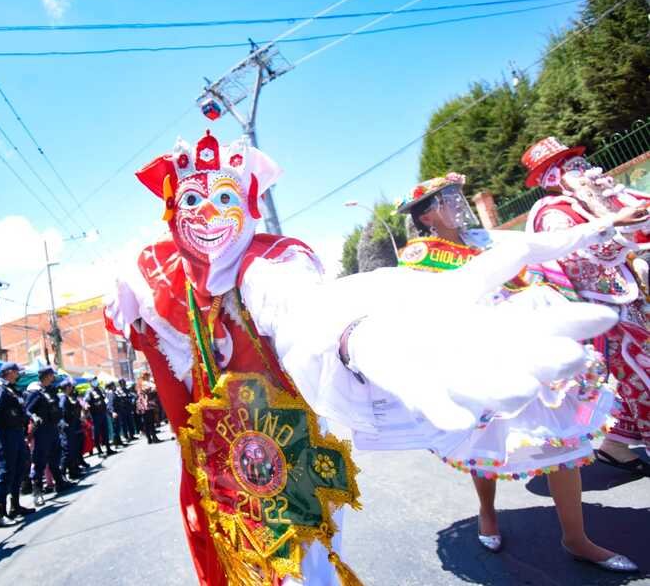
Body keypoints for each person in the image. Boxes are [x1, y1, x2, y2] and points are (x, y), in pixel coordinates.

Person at [105, 131, 625, 584]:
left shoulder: (268, 264)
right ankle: (491, 515)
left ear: (247, 203)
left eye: (225, 197)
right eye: (192, 200)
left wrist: (359, 336)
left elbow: (307, 309)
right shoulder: (153, 278)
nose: (209, 214)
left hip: (289, 452)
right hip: (216, 466)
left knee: (299, 567)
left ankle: (564, 532)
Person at [395, 172, 637, 571]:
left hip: (529, 344)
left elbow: (542, 245)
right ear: (426, 217)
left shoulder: (486, 239)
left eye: (457, 196)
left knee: (562, 436)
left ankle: (576, 539)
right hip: (478, 354)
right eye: (446, 199)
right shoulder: (419, 256)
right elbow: (423, 310)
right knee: (484, 437)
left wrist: (607, 222)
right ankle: (488, 512)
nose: (457, 204)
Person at [522, 137, 650, 477]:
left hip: (629, 302)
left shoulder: (592, 200)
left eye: (580, 162)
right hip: (604, 311)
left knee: (633, 377)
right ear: (552, 177)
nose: (583, 168)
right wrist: (620, 230)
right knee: (641, 372)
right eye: (571, 165)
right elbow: (577, 261)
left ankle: (616, 444)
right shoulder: (553, 213)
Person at [0, 362, 35, 528]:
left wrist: (31, 416)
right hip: (5, 435)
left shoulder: (12, 389)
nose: (19, 374)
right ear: (9, 372)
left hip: (17, 434)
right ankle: (1, 514)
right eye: (16, 372)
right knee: (6, 472)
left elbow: (21, 410)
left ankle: (15, 506)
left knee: (20, 467)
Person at [25, 367, 74, 506]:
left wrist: (60, 420)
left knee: (55, 457)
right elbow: (27, 410)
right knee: (40, 460)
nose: (54, 377)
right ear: (47, 376)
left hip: (53, 428)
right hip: (42, 430)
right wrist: (34, 417)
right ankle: (37, 492)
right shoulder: (36, 392)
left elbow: (56, 407)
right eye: (52, 375)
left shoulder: (50, 390)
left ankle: (60, 483)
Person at [85, 382, 114, 456]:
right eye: (93, 380)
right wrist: (87, 405)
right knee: (97, 433)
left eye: (95, 380)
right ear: (90, 382)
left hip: (103, 413)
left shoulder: (99, 390)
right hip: (95, 415)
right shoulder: (89, 391)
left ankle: (108, 449)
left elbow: (105, 399)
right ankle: (99, 451)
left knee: (105, 432)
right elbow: (86, 401)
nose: (95, 382)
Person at [136, 374, 160, 444]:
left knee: (146, 422)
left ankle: (149, 438)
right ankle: (153, 437)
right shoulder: (145, 383)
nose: (148, 377)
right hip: (147, 404)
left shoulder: (139, 384)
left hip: (142, 405)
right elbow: (152, 389)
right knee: (150, 422)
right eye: (147, 376)